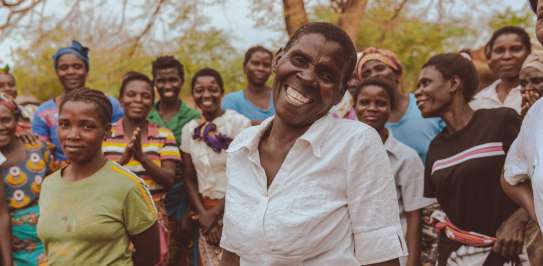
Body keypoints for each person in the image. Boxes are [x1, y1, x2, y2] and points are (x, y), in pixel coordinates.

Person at [220, 22, 406, 266]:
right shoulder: (242, 146)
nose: (307, 77)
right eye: (299, 60)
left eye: (327, 75)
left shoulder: (357, 144)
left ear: (340, 93)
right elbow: (232, 252)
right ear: (278, 60)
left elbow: (381, 257)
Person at [416, 53, 530, 265]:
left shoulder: (500, 122)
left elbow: (538, 174)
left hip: (507, 252)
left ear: (454, 83)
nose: (418, 92)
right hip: (455, 257)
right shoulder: (436, 148)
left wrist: (520, 218)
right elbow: (438, 212)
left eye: (426, 83)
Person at [37, 88, 160, 265]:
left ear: (107, 131)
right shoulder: (49, 184)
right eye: (65, 124)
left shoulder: (127, 186)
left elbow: (149, 256)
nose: (73, 135)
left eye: (87, 126)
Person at [354, 78, 435, 266]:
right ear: (354, 106)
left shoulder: (406, 157)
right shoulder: (342, 152)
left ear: (391, 109)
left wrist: (412, 262)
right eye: (364, 102)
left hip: (392, 255)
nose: (372, 108)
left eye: (381, 103)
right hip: (350, 253)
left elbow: (414, 216)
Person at [102, 72, 180, 265]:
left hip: (153, 221)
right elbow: (96, 179)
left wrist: (142, 157)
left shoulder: (164, 135)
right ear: (121, 99)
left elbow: (169, 180)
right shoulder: (105, 133)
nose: (138, 99)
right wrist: (123, 160)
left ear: (152, 101)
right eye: (131, 94)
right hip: (112, 219)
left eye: (145, 96)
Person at [181, 68, 250, 265]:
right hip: (204, 212)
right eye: (199, 90)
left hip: (235, 209)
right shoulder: (189, 129)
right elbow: (188, 177)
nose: (206, 95)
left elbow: (245, 176)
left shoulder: (239, 124)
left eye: (212, 89)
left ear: (222, 91)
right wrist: (204, 215)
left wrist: (216, 215)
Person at [146, 56, 200, 266]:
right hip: (150, 196)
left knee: (180, 256)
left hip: (182, 196)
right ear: (154, 82)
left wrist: (190, 210)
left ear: (181, 81)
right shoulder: (145, 114)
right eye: (161, 80)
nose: (167, 86)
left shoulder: (194, 117)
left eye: (173, 80)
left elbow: (197, 168)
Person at [32, 40, 124, 161]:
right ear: (57, 72)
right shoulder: (43, 112)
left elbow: (121, 142)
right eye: (64, 67)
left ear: (86, 70)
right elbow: (42, 152)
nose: (71, 72)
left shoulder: (109, 104)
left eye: (77, 66)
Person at [357, 47, 443, 163]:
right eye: (366, 74)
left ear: (397, 74)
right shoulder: (365, 120)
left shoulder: (426, 107)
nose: (374, 75)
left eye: (380, 68)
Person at [0, 95, 56, 266]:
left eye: (6, 120)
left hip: (49, 243)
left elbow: (56, 192)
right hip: (11, 248)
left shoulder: (38, 148)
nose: (0, 127)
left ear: (17, 119)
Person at [501, 50, 543, 266]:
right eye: (523, 83)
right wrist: (535, 212)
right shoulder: (532, 118)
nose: (529, 88)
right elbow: (509, 177)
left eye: (537, 80)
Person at [470, 26, 531, 114]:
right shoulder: (477, 102)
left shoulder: (538, 95)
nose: (507, 56)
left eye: (516, 49)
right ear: (489, 58)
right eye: (499, 50)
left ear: (529, 53)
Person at [221, 45, 274, 125]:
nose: (261, 68)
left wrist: (247, 124)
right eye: (255, 63)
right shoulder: (231, 101)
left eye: (266, 65)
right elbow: (230, 130)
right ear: (245, 67)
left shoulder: (280, 98)